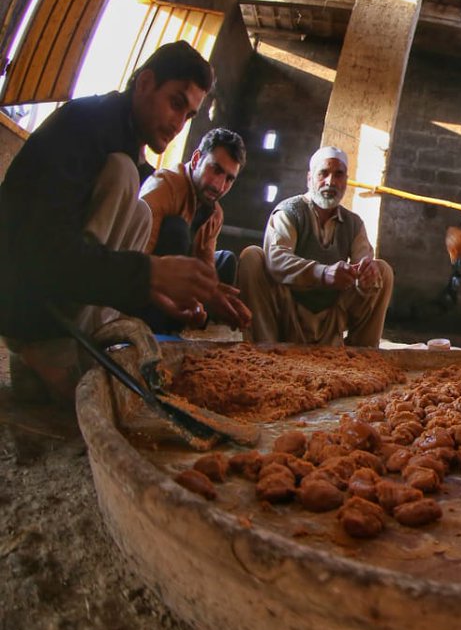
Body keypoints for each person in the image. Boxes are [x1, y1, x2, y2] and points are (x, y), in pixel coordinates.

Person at [0, 41, 237, 402]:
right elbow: (43, 251)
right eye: (176, 103)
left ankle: (76, 346)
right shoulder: (85, 125)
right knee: (126, 178)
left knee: (138, 208)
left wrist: (160, 293)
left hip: (48, 289)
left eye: (189, 115)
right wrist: (152, 272)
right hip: (14, 287)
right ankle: (44, 346)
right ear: (145, 83)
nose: (178, 124)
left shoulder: (129, 147)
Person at [237, 146, 394, 346]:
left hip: (332, 317)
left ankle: (362, 355)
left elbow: (364, 263)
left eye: (338, 175)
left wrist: (366, 275)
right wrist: (322, 273)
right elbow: (277, 260)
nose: (331, 181)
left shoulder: (353, 223)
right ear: (309, 178)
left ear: (345, 181)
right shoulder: (289, 212)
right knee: (252, 257)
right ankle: (266, 349)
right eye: (323, 173)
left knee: (383, 271)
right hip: (287, 313)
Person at [138, 127, 252, 332]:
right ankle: (160, 327)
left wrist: (215, 296)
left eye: (229, 179)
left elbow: (205, 267)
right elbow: (137, 261)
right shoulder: (164, 186)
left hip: (180, 286)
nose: (219, 186)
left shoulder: (215, 213)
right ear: (197, 158)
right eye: (215, 170)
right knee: (177, 230)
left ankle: (190, 325)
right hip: (147, 285)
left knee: (225, 261)